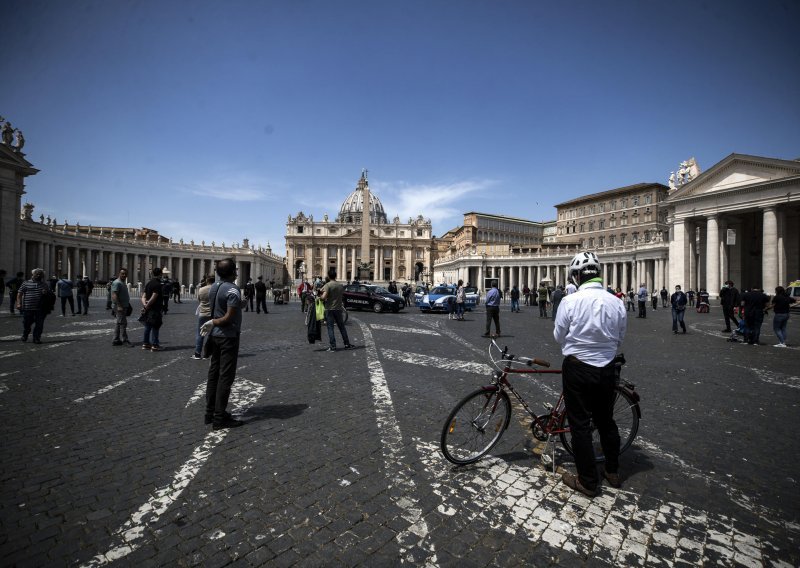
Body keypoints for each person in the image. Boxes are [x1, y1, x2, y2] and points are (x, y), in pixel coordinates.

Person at [554, 251, 627, 498]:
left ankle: (587, 480)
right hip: (607, 368)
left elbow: (558, 335)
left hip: (578, 368)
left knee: (580, 424)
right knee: (606, 420)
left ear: (576, 276)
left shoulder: (570, 301)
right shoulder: (616, 302)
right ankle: (613, 471)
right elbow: (620, 337)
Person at [200, 259, 245, 429]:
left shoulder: (214, 287)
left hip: (214, 337)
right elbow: (228, 318)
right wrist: (215, 322)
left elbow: (223, 306)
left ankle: (210, 413)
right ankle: (220, 418)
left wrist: (238, 305)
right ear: (233, 272)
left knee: (213, 374)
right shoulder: (233, 289)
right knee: (226, 377)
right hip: (228, 337)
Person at [320, 268, 353, 352]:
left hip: (330, 309)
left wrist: (320, 298)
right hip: (338, 309)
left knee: (330, 328)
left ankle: (333, 346)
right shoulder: (340, 285)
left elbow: (323, 297)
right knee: (342, 327)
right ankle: (347, 344)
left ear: (328, 276)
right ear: (336, 276)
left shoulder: (328, 285)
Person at [16, 268, 50, 344]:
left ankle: (36, 338)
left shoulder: (44, 284)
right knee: (26, 323)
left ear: (42, 276)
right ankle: (25, 334)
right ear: (33, 275)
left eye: (40, 274)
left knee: (39, 324)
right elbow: (19, 293)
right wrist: (18, 303)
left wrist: (46, 293)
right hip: (28, 308)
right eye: (37, 274)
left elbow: (49, 295)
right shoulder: (26, 283)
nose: (38, 275)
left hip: (40, 308)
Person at [141, 267, 164, 351]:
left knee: (147, 326)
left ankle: (145, 344)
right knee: (155, 326)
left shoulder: (149, 283)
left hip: (148, 308)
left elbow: (143, 296)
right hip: (155, 308)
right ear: (160, 274)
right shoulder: (158, 284)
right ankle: (155, 345)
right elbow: (154, 297)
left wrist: (145, 306)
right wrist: (147, 306)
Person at [193, 275, 213, 359]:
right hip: (212, 314)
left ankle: (197, 353)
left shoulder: (201, 289)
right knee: (211, 335)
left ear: (207, 280)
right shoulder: (215, 289)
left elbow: (199, 299)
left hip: (203, 313)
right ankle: (207, 354)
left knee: (200, 334)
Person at [110, 268, 131, 346]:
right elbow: (114, 295)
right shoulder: (117, 283)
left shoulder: (122, 282)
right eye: (122, 273)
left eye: (125, 274)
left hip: (123, 306)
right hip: (119, 306)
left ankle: (115, 340)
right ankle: (125, 340)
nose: (124, 275)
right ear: (119, 273)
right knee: (123, 323)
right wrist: (119, 305)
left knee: (118, 323)